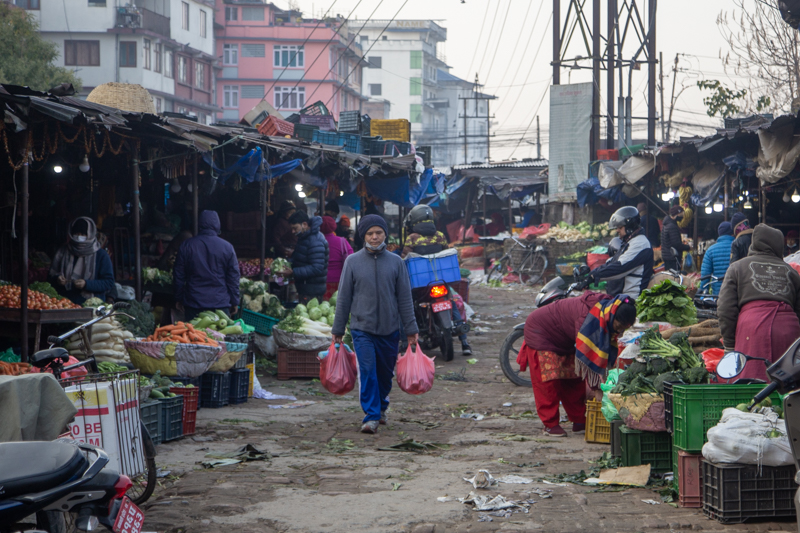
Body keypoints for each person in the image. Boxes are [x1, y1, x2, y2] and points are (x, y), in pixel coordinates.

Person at [331, 214, 419, 434]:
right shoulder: (352, 262)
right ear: (363, 236)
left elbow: (404, 298)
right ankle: (371, 415)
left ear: (385, 235)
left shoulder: (396, 262)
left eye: (378, 232)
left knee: (384, 374)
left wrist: (411, 329)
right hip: (362, 329)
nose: (374, 237)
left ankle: (381, 408)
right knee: (368, 370)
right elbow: (343, 298)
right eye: (370, 233)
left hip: (390, 329)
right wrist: (338, 329)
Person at [518, 293, 636, 436]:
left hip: (564, 339)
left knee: (573, 379)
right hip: (541, 333)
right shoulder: (589, 319)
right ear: (613, 316)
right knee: (549, 380)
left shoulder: (606, 313)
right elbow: (590, 358)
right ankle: (550, 424)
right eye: (620, 326)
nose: (620, 331)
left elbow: (603, 355)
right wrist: (597, 389)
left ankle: (579, 420)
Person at [718, 224, 800, 381]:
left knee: (751, 380)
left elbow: (725, 308)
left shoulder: (737, 267)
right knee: (787, 384)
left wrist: (729, 345)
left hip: (752, 329)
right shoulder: (791, 271)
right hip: (788, 329)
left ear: (754, 243)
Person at [401, 205, 472, 356]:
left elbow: (404, 259)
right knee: (451, 301)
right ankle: (464, 342)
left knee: (410, 304)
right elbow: (445, 253)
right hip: (441, 280)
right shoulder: (439, 235)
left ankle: (406, 336)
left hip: (421, 284)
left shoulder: (412, 238)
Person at [173, 211, 240, 322]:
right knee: (218, 338)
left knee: (194, 337)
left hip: (194, 304)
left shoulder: (187, 245)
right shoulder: (227, 247)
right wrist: (234, 301)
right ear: (218, 225)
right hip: (220, 305)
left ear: (199, 224)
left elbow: (178, 275)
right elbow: (233, 278)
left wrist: (178, 298)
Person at [585, 206, 654, 298]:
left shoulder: (640, 244)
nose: (617, 230)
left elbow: (620, 267)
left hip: (632, 300)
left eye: (620, 227)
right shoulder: (629, 242)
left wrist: (595, 276)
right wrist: (591, 273)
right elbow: (612, 262)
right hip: (621, 298)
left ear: (630, 226)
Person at [49, 217, 115, 305]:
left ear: (90, 234)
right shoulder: (63, 252)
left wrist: (86, 284)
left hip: (91, 305)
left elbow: (108, 282)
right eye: (76, 233)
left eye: (83, 234)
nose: (79, 236)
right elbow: (50, 276)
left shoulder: (101, 255)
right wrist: (57, 279)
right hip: (64, 303)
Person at [287, 211, 329, 303]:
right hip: (305, 288)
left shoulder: (315, 240)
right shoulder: (304, 238)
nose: (293, 232)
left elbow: (317, 267)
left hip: (312, 291)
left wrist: (294, 272)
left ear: (304, 224)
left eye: (295, 228)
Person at [320, 215, 353, 299]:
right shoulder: (342, 241)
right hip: (340, 281)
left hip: (321, 281)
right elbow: (352, 259)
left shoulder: (316, 242)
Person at [700, 222, 734, 294]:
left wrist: (702, 293)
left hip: (718, 294)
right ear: (732, 232)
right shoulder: (739, 247)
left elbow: (705, 275)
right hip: (736, 293)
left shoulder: (710, 250)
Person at [661, 205, 689, 272]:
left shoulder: (667, 224)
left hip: (668, 256)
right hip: (672, 257)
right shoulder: (672, 226)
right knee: (674, 278)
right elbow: (676, 244)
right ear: (676, 214)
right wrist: (687, 247)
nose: (682, 217)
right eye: (681, 214)